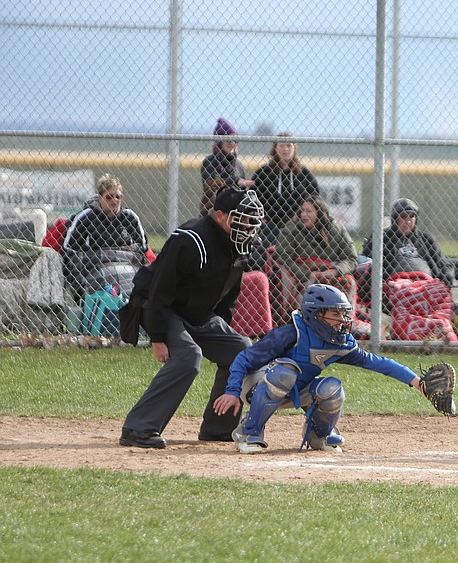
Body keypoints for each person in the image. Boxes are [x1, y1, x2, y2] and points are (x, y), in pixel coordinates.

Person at [119, 186, 266, 449]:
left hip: (197, 313)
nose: (248, 224)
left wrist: (219, 343)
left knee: (241, 350)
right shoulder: (191, 240)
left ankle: (218, 428)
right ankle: (137, 428)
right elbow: (159, 290)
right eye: (241, 217)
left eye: (250, 218)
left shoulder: (239, 243)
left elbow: (229, 296)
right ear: (220, 216)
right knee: (189, 356)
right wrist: (158, 337)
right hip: (157, 306)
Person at [211, 284, 435, 453]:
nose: (343, 320)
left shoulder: (338, 342)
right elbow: (243, 359)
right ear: (316, 315)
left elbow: (378, 363)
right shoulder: (291, 333)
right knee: (285, 372)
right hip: (259, 385)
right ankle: (249, 431)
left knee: (332, 388)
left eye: (343, 314)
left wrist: (416, 382)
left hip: (294, 390)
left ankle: (319, 435)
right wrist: (232, 392)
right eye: (335, 314)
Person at [61, 173, 148, 299]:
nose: (114, 200)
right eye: (109, 197)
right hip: (96, 267)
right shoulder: (87, 217)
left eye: (118, 196)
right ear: (100, 198)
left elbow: (142, 247)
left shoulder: (129, 217)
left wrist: (124, 252)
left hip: (124, 267)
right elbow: (68, 248)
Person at [272, 194, 358, 322]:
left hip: (330, 272)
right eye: (302, 211)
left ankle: (341, 320)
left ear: (319, 213)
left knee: (347, 281)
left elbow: (351, 258)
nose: (303, 215)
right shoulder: (291, 229)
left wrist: (335, 270)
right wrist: (308, 274)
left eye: (309, 211)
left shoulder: (336, 229)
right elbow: (282, 256)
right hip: (302, 274)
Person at [249, 131, 319, 270]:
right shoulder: (264, 173)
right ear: (275, 148)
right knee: (268, 253)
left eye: (289, 145)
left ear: (294, 148)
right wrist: (259, 217)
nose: (285, 149)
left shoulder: (303, 173)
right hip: (270, 227)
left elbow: (315, 198)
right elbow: (251, 196)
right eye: (281, 145)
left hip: (298, 226)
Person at [362, 197, 452, 288]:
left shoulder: (427, 239)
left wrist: (446, 276)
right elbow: (367, 265)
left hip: (426, 283)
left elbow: (443, 264)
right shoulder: (381, 238)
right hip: (395, 284)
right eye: (404, 216)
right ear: (395, 218)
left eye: (412, 216)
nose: (408, 221)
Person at [200, 117, 255, 216]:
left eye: (235, 140)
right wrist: (236, 181)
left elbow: (242, 191)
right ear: (219, 141)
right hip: (215, 212)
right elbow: (213, 184)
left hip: (235, 214)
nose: (232, 143)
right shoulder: (210, 161)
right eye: (228, 140)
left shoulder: (238, 165)